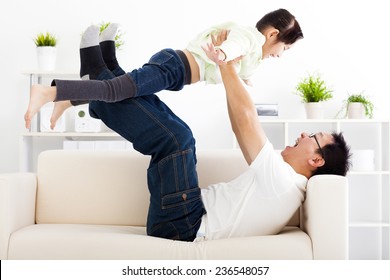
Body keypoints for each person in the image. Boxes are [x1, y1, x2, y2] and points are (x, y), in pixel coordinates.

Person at [23, 28, 351, 243]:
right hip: (186, 215)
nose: (305, 133)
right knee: (169, 125)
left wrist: (226, 66)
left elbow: (246, 121)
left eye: (314, 136)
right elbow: (243, 126)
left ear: (316, 158)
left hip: (184, 226)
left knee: (178, 139)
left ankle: (88, 85)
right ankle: (101, 77)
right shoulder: (284, 182)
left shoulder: (284, 181)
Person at [24, 8, 303, 130]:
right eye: (285, 49)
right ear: (272, 35)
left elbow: (244, 71)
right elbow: (235, 46)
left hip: (176, 73)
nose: (281, 55)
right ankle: (50, 91)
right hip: (175, 66)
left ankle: (70, 97)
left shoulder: (254, 55)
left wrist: (246, 80)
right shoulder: (249, 38)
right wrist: (221, 52)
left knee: (123, 89)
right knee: (116, 90)